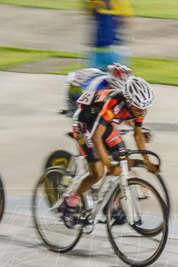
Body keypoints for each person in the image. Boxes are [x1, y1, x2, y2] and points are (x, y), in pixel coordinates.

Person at [63, 74, 157, 219]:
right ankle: (71, 200)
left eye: (145, 109)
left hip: (102, 123)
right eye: (139, 109)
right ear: (129, 102)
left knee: (124, 161)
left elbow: (137, 134)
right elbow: (96, 137)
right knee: (98, 172)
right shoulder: (112, 104)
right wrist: (108, 164)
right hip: (84, 123)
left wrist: (147, 160)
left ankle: (109, 202)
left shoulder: (139, 106)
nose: (142, 113)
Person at [83, 0, 133, 70]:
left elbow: (128, 20)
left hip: (114, 49)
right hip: (95, 49)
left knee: (118, 82)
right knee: (92, 81)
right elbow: (89, 16)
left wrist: (116, 29)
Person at [61, 63, 131, 116]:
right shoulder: (98, 86)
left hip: (87, 80)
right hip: (78, 88)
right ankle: (73, 110)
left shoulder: (110, 83)